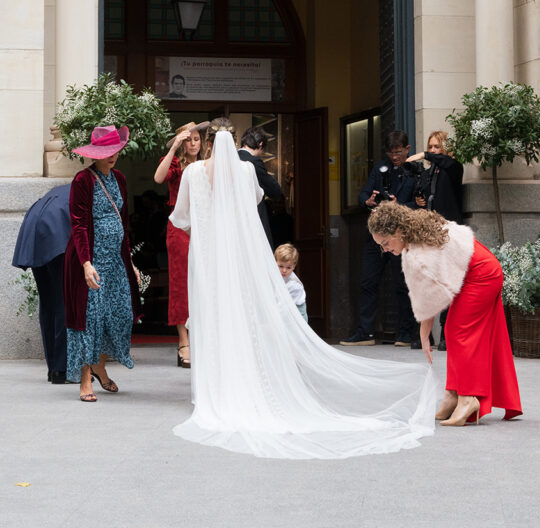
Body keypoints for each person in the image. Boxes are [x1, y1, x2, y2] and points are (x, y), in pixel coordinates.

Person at [169, 119, 437, 459]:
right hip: (239, 256)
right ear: (232, 141)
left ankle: (215, 390)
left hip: (207, 257)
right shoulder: (246, 172)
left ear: (206, 143)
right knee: (243, 315)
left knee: (213, 314)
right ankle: (245, 384)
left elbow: (181, 217)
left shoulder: (193, 174)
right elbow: (254, 203)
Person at [368, 203, 522, 426]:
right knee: (452, 330)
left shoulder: (418, 248)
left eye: (385, 243)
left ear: (398, 231)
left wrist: (424, 334)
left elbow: (430, 295)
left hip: (481, 274)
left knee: (460, 332)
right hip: (473, 270)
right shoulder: (415, 233)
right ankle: (453, 394)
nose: (385, 249)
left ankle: (468, 397)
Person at [63, 125, 141, 402]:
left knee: (118, 315)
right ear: (94, 154)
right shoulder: (83, 180)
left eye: (115, 150)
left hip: (116, 261)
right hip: (91, 260)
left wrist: (129, 261)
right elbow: (79, 225)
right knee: (90, 319)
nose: (112, 155)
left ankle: (100, 365)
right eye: (106, 152)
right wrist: (85, 263)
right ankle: (86, 378)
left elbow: (125, 224)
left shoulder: (119, 178)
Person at [340, 130, 420, 347]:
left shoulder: (415, 171)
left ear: (407, 149)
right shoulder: (380, 168)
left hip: (400, 236)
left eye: (398, 152)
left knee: (403, 284)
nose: (395, 157)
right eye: (391, 153)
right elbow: (363, 195)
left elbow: (420, 204)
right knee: (368, 283)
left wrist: (399, 206)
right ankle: (366, 333)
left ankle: (405, 334)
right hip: (376, 237)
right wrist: (369, 201)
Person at [153, 121, 208, 369]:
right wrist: (174, 147)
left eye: (196, 138)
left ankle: (204, 339)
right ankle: (183, 341)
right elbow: (158, 177)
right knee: (181, 283)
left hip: (205, 225)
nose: (193, 143)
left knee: (205, 281)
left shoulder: (208, 163)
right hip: (179, 227)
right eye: (189, 139)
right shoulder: (176, 163)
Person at [407, 130, 465, 351]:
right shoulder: (430, 172)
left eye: (436, 147)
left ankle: (447, 336)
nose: (432, 151)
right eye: (430, 147)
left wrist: (424, 155)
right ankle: (424, 335)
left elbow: (447, 163)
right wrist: (420, 200)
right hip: (429, 232)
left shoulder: (453, 167)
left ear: (445, 149)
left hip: (448, 233)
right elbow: (423, 193)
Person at [12, 183, 71, 383]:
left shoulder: (61, 190)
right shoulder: (86, 189)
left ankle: (54, 368)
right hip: (56, 234)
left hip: (35, 230)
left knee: (49, 302)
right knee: (65, 301)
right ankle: (62, 369)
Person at [238, 125, 283, 246]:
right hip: (253, 218)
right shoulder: (253, 162)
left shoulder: (231, 159)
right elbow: (275, 191)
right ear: (261, 144)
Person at [274, 243, 308, 322]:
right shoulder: (277, 276)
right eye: (281, 266)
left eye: (288, 267)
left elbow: (283, 307)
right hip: (285, 313)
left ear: (294, 266)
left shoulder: (294, 285)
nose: (284, 270)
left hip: (298, 318)